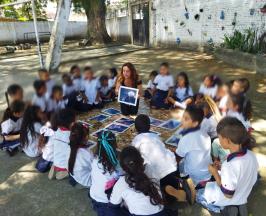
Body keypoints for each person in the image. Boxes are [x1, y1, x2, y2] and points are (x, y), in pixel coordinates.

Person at [132, 114, 196, 206]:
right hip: (171, 167)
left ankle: (165, 190)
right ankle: (176, 186)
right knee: (170, 178)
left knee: (152, 181)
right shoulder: (155, 137)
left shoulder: (136, 140)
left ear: (135, 128)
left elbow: (133, 156)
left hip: (156, 174)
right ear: (150, 126)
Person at [199, 117, 258, 215]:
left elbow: (228, 194)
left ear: (227, 141)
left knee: (200, 195)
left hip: (230, 198)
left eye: (219, 137)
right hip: (243, 194)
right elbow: (249, 176)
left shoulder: (229, 165)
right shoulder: (251, 155)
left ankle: (221, 209)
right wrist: (222, 168)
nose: (219, 140)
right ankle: (239, 206)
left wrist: (215, 174)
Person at [110, 146, 167, 216]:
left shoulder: (122, 182)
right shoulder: (151, 168)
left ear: (123, 167)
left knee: (113, 209)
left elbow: (113, 205)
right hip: (160, 212)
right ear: (142, 160)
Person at [175, 105, 212, 187]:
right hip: (206, 174)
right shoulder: (204, 133)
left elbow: (177, 158)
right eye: (183, 117)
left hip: (194, 177)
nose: (182, 120)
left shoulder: (187, 137)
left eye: (186, 119)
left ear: (195, 123)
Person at [89, 131, 120, 216]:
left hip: (94, 195)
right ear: (114, 146)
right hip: (106, 201)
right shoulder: (116, 166)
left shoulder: (95, 160)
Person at [48, 108, 76, 180]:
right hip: (65, 165)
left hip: (56, 161)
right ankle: (64, 172)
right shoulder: (71, 135)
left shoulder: (57, 131)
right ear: (72, 123)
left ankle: (56, 168)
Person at [68, 122, 93, 188]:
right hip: (86, 182)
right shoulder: (87, 153)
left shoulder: (69, 147)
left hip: (74, 177)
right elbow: (94, 168)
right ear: (86, 137)